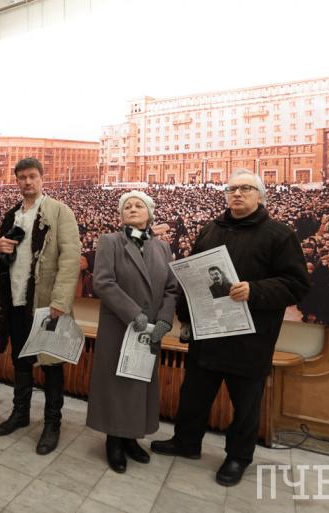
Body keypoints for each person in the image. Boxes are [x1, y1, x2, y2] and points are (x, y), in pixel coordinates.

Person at [151, 169, 310, 486]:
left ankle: (238, 457)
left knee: (245, 405)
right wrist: (185, 316)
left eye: (245, 188)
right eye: (232, 189)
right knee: (193, 394)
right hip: (208, 333)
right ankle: (186, 442)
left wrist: (255, 290)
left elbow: (296, 285)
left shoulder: (279, 235)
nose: (237, 193)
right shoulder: (210, 230)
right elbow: (194, 277)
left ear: (260, 196)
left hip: (250, 338)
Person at [0, 157, 81, 455]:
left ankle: (52, 424)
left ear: (42, 178)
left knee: (52, 365)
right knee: (20, 361)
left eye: (32, 176)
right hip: (16, 301)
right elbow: (1, 258)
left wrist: (60, 301)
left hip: (45, 304)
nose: (27, 182)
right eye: (22, 177)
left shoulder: (59, 211)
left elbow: (70, 258)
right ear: (17, 181)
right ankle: (20, 414)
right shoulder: (11, 216)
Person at [87, 190, 177, 473]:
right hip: (119, 325)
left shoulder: (162, 248)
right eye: (127, 206)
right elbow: (103, 282)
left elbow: (171, 288)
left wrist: (164, 320)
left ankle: (131, 438)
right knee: (117, 385)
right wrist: (133, 313)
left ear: (150, 213)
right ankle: (114, 440)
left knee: (140, 384)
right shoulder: (110, 241)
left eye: (139, 205)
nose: (133, 209)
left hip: (150, 331)